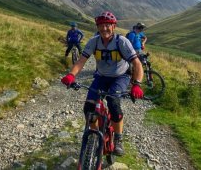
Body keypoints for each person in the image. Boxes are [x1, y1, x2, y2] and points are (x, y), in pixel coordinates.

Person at [61, 11, 144, 156]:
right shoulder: (94, 41)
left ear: (113, 26)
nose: (104, 29)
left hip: (120, 77)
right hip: (101, 76)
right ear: (97, 27)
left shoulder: (122, 42)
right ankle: (94, 134)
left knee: (113, 101)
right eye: (101, 26)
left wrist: (136, 84)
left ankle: (118, 139)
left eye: (107, 25)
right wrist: (71, 75)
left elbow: (137, 64)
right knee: (88, 108)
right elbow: (81, 61)